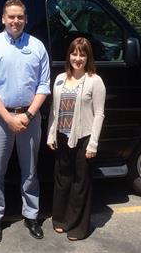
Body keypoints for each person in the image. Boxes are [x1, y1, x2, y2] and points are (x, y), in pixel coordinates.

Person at [0, 0, 51, 243]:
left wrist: (28, 115)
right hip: (0, 119)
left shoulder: (38, 47)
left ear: (26, 19)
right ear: (3, 18)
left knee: (30, 171)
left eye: (20, 16)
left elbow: (44, 85)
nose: (16, 21)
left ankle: (32, 215)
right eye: (11, 16)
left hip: (31, 117)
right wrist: (9, 118)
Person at [46, 37, 106, 241]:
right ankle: (61, 220)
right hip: (62, 137)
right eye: (74, 53)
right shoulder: (61, 78)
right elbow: (55, 109)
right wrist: (51, 133)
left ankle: (78, 227)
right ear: (68, 55)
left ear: (88, 57)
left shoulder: (94, 81)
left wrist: (93, 143)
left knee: (81, 183)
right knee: (63, 180)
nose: (77, 58)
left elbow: (99, 114)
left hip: (83, 138)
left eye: (82, 54)